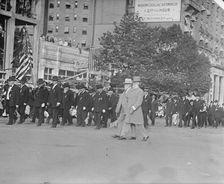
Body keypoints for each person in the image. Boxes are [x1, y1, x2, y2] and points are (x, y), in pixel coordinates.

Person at [120, 76, 149, 141]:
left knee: (139, 124)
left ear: (138, 83)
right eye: (134, 82)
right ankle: (122, 135)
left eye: (136, 82)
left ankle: (145, 135)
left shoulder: (140, 91)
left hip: (136, 111)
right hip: (129, 109)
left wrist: (133, 108)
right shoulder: (130, 90)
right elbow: (126, 96)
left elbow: (139, 102)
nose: (134, 84)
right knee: (126, 122)